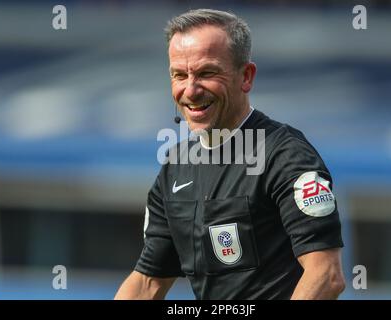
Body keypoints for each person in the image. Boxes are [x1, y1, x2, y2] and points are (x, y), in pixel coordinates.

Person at [115, 8, 345, 300]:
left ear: (246, 76)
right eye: (179, 75)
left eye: (206, 73)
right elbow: (147, 283)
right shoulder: (175, 167)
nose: (191, 89)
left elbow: (326, 275)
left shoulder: (285, 156)